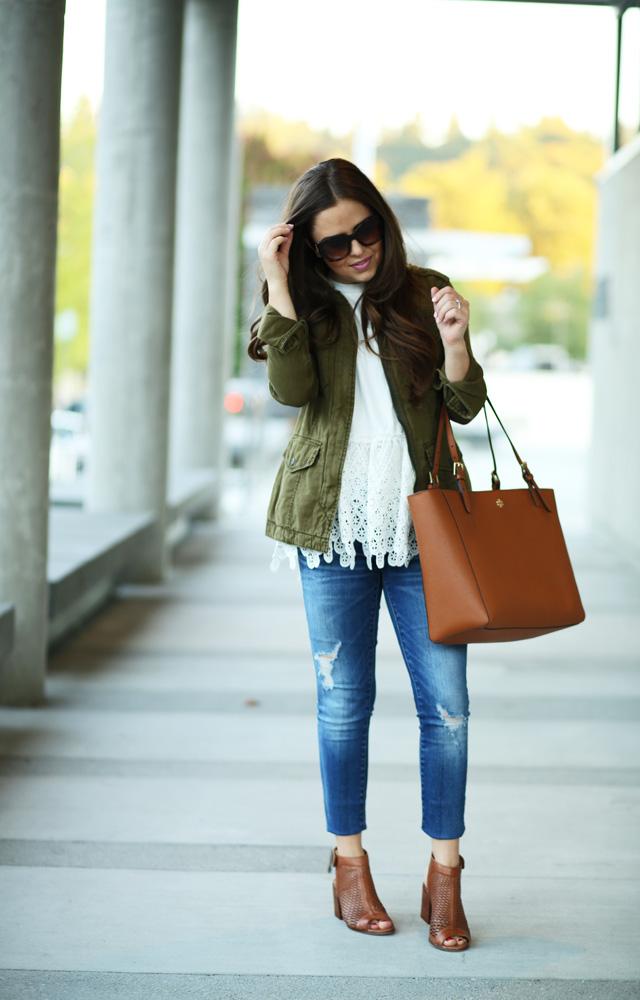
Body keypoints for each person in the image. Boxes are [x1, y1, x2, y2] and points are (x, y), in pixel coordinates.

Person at [248, 158, 487, 951]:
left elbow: (464, 402)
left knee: (446, 708)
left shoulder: (424, 290)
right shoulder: (303, 306)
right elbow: (289, 391)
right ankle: (349, 865)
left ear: (383, 220)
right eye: (334, 245)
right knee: (344, 705)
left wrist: (454, 343)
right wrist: (279, 284)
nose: (355, 250)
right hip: (331, 527)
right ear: (309, 253)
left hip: (424, 533)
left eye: (365, 231)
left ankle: (444, 876)